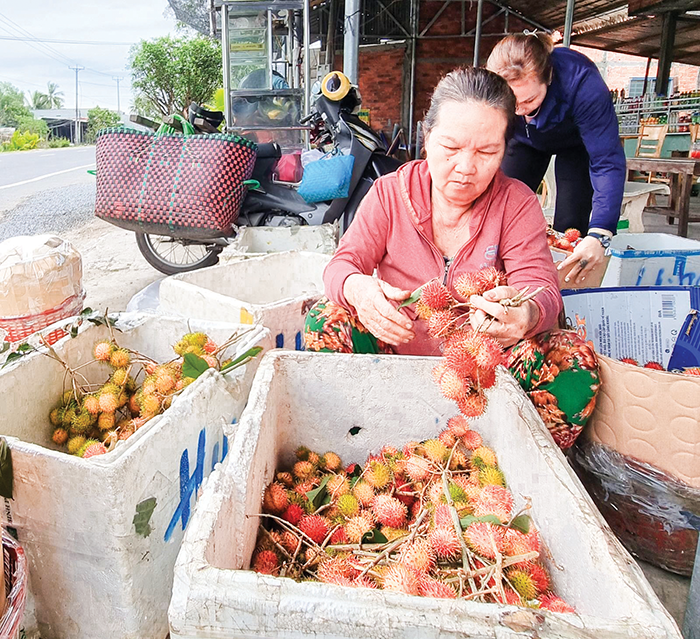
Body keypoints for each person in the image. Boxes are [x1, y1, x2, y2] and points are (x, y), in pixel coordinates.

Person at [304, 66, 599, 450]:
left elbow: (542, 288)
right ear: (427, 137)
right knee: (326, 317)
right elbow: (342, 265)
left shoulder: (517, 204)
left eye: (486, 152)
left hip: (484, 372)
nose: (465, 167)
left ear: (504, 150)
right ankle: (360, 444)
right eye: (451, 147)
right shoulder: (389, 194)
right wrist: (358, 289)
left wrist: (523, 315)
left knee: (573, 360)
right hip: (395, 363)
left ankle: (515, 460)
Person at [486, 33, 626, 286]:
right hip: (523, 140)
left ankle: (562, 292)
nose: (520, 109)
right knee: (498, 207)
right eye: (511, 101)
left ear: (548, 78)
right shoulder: (495, 93)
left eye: (528, 99)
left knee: (570, 226)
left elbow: (606, 160)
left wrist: (601, 233)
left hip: (576, 143)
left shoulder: (583, 83)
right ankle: (499, 279)